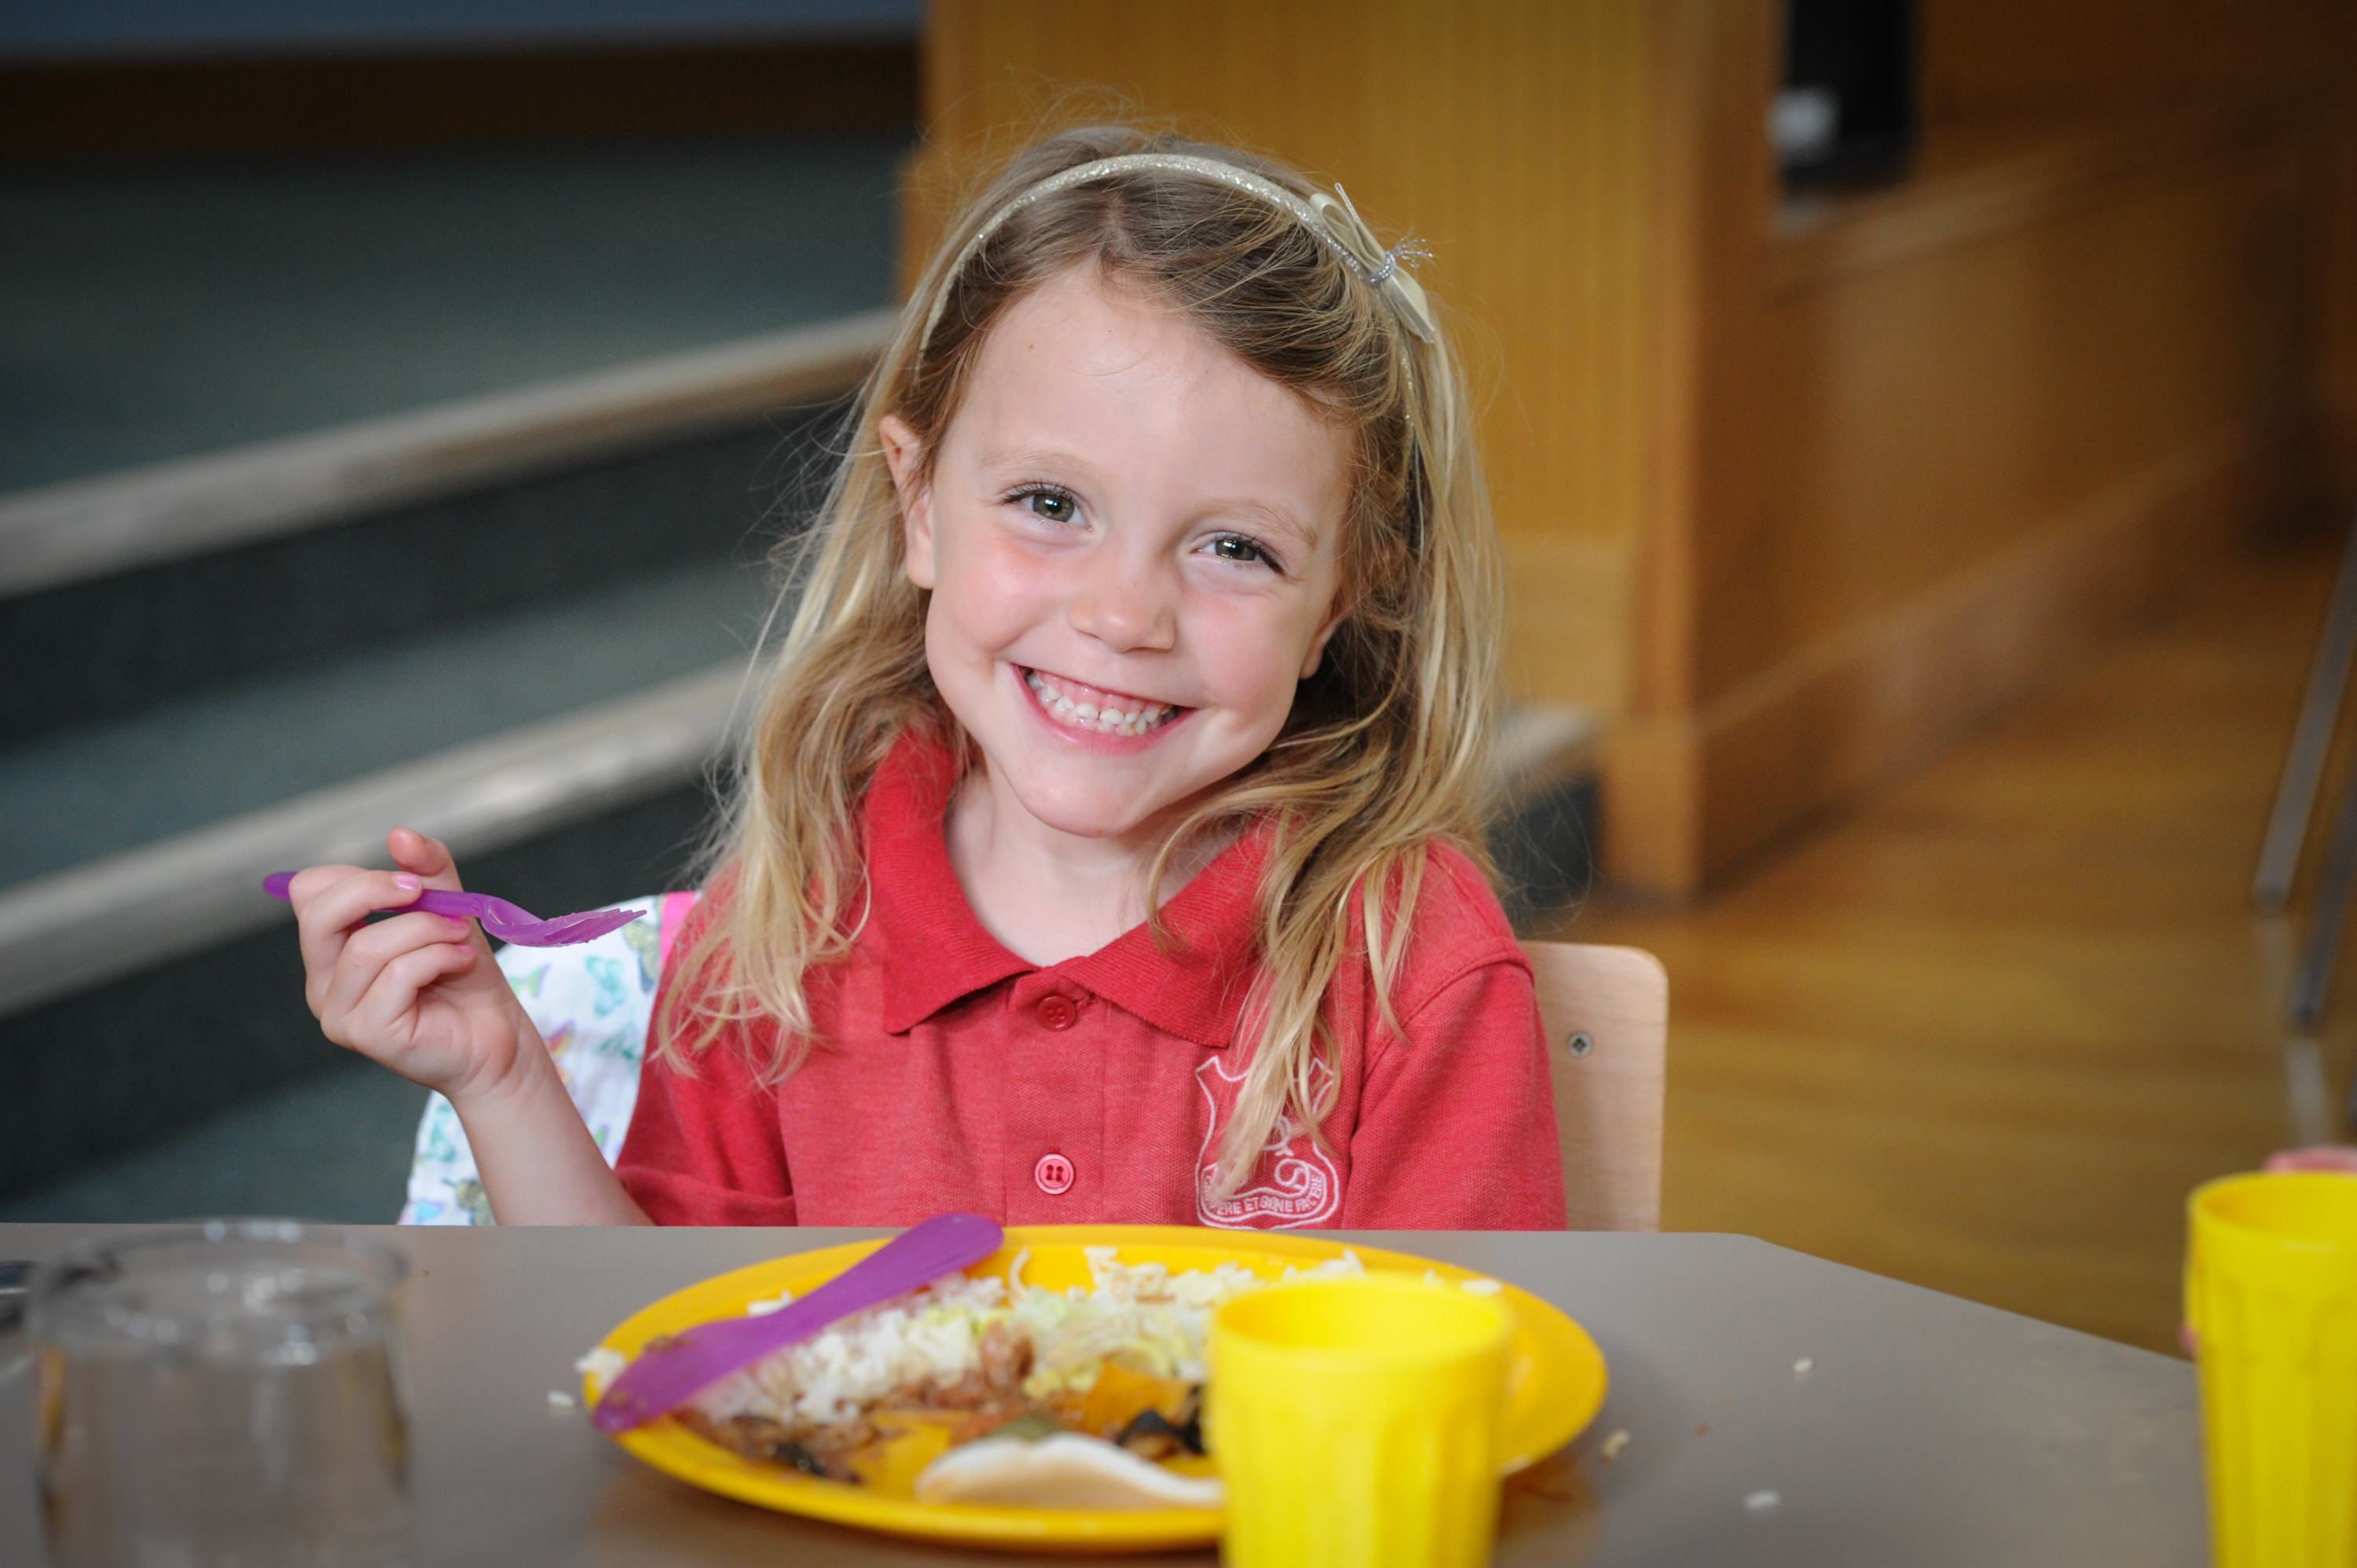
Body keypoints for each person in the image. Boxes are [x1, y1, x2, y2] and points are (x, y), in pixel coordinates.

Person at [284, 125, 1569, 1230]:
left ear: (1346, 589)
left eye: (1235, 546)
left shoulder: (1408, 959)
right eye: (1051, 503)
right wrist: (502, 1074)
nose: (1124, 614)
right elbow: (673, 1347)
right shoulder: (789, 925)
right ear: (918, 506)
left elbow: (1459, 1387)